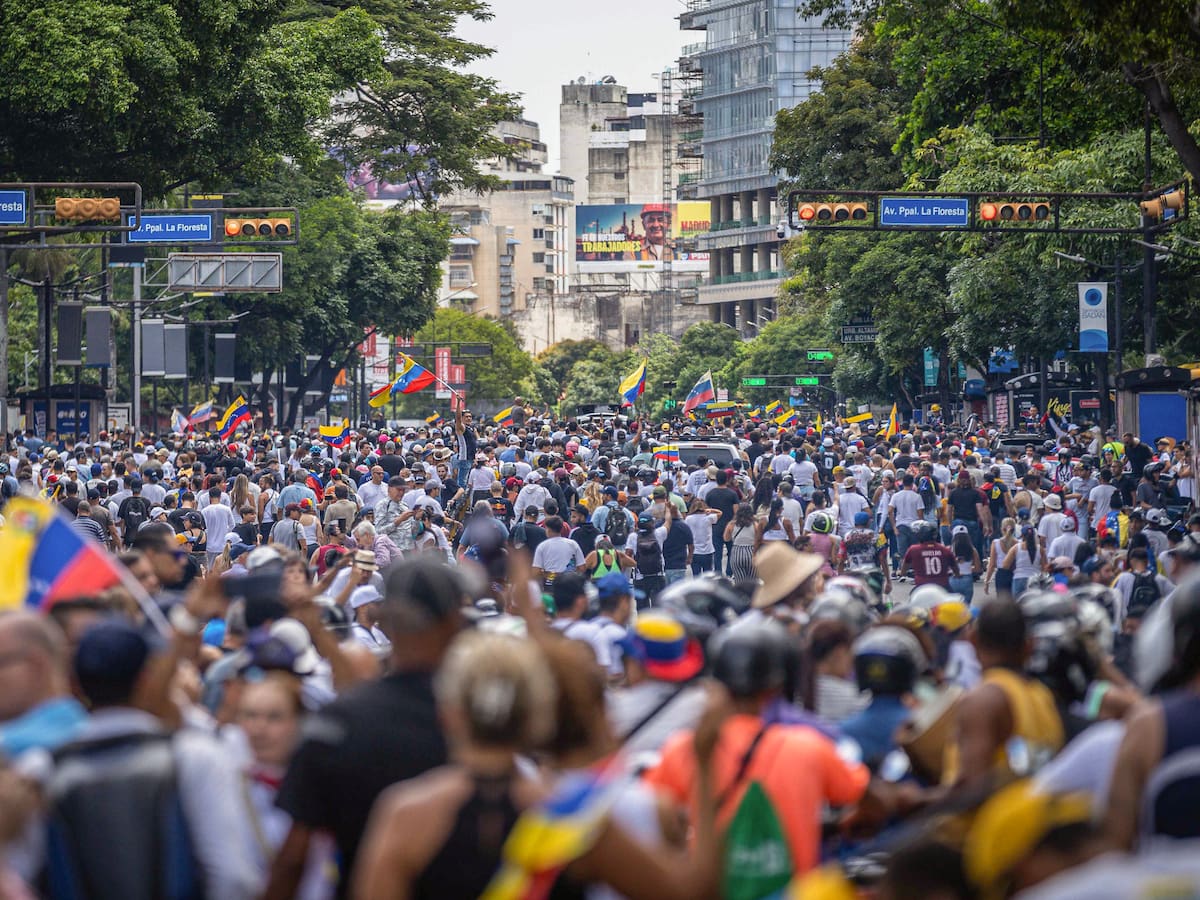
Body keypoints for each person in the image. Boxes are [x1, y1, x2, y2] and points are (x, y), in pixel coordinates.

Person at [353, 630, 723, 900]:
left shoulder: (406, 816)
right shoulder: (574, 819)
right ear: (537, 717)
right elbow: (690, 891)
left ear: (449, 715)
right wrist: (705, 766)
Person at [268, 559, 465, 899]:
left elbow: (293, 856)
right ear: (454, 622)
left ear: (384, 621)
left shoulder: (338, 721)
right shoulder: (475, 721)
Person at [42, 620, 260, 899]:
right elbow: (233, 878)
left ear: (73, 685)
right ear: (146, 679)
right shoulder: (193, 757)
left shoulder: (41, 769)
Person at [645, 622, 871, 879]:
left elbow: (646, 813)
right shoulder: (809, 746)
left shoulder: (684, 748)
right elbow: (861, 792)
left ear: (715, 685)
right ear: (776, 687)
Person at [940, 598, 1065, 790]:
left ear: (972, 640)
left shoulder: (982, 701)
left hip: (993, 809)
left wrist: (917, 799)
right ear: (1030, 645)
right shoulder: (1042, 695)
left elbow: (971, 788)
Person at [234, 674, 335, 900]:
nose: (259, 729)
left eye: (274, 717)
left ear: (299, 723)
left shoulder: (324, 787)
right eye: (250, 715)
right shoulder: (228, 785)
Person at [948, 524, 982, 605]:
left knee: (953, 606)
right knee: (966, 607)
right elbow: (978, 569)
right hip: (967, 579)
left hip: (953, 578)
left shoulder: (949, 549)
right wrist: (968, 569)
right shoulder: (973, 550)